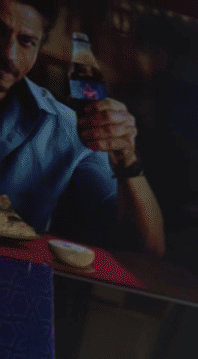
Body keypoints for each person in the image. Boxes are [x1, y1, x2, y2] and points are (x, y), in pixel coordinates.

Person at [0, 0, 164, 253]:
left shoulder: (67, 129)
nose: (8, 55)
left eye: (26, 42)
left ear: (39, 48)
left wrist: (127, 159)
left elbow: (146, 249)